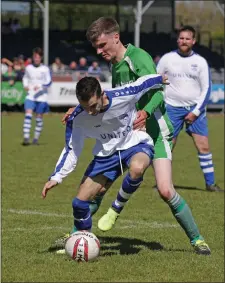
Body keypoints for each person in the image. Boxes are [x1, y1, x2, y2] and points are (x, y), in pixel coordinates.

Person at [42, 75, 210, 256]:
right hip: (106, 155)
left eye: (93, 106)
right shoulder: (78, 117)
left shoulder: (123, 95)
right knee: (79, 204)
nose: (90, 112)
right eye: (85, 107)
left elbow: (143, 83)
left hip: (135, 145)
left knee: (138, 169)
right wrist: (56, 177)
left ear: (102, 94)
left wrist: (160, 78)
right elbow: (71, 149)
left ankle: (196, 239)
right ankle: (80, 242)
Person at [156, 26, 222, 192]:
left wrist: (195, 112)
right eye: (181, 38)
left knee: (203, 147)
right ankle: (164, 184)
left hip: (194, 109)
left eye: (187, 38)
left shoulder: (200, 62)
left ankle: (210, 184)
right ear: (177, 40)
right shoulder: (167, 59)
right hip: (171, 108)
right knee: (167, 147)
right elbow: (155, 79)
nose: (184, 41)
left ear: (193, 41)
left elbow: (206, 89)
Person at [22, 47, 52, 145]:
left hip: (42, 97)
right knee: (28, 115)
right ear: (33, 57)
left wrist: (39, 86)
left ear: (41, 58)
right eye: (35, 57)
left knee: (39, 118)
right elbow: (25, 77)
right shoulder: (28, 68)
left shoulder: (45, 69)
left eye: (38, 57)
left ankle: (35, 139)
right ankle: (26, 138)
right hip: (30, 96)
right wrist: (25, 85)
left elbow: (49, 82)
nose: (36, 59)